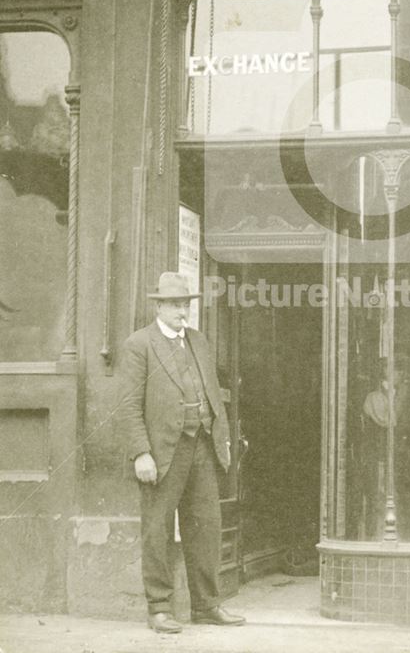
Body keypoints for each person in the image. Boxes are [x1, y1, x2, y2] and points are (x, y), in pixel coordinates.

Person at [119, 271, 246, 633]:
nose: (181, 311)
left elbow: (211, 392)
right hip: (161, 452)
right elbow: (129, 406)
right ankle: (159, 607)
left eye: (185, 304)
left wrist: (219, 437)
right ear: (158, 305)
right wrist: (141, 453)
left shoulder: (198, 341)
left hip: (201, 445)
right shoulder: (139, 344)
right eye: (174, 304)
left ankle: (207, 605)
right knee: (157, 528)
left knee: (206, 526)